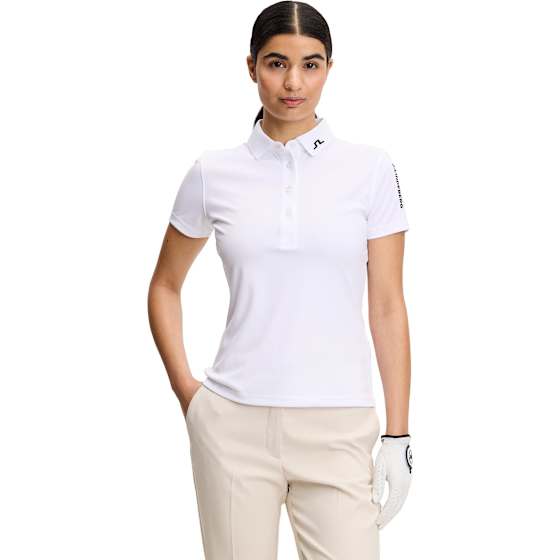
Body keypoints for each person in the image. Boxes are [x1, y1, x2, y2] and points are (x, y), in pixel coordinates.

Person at [148, 1, 413, 558]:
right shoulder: (213, 173)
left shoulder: (370, 170)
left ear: (329, 68)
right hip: (232, 425)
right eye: (276, 63)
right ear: (251, 67)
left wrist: (398, 434)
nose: (294, 83)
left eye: (310, 65)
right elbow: (165, 285)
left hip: (338, 426)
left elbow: (388, 305)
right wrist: (189, 395)